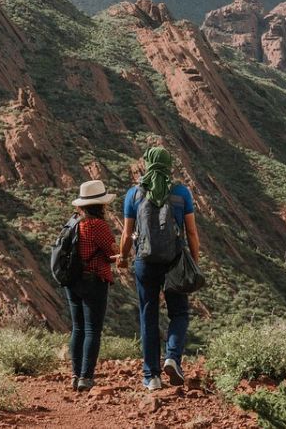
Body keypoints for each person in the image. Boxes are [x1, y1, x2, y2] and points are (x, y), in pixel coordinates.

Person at [115, 146, 201, 391]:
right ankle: (172, 357)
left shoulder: (133, 194)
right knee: (180, 313)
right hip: (174, 260)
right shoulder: (181, 193)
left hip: (145, 261)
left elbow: (127, 233)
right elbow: (192, 233)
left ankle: (151, 376)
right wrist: (193, 262)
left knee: (148, 316)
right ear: (169, 165)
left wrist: (122, 256)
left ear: (148, 164)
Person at [67, 179, 118, 393]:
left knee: (77, 328)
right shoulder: (98, 226)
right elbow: (112, 253)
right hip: (93, 281)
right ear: (101, 205)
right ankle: (86, 378)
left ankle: (75, 374)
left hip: (72, 280)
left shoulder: (74, 223)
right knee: (92, 330)